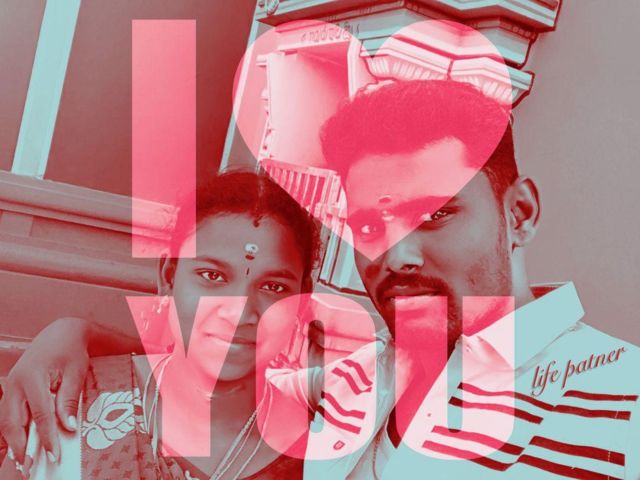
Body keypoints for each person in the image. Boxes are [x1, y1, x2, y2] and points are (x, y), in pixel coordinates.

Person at [3, 80, 640, 479]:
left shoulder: (619, 404)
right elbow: (215, 363)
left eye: (435, 214)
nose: (399, 254)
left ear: (519, 214)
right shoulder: (355, 379)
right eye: (370, 224)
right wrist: (74, 335)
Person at [0, 170, 323, 479]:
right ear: (169, 276)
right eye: (212, 276)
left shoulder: (324, 450)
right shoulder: (67, 398)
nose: (240, 312)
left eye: (274, 287)